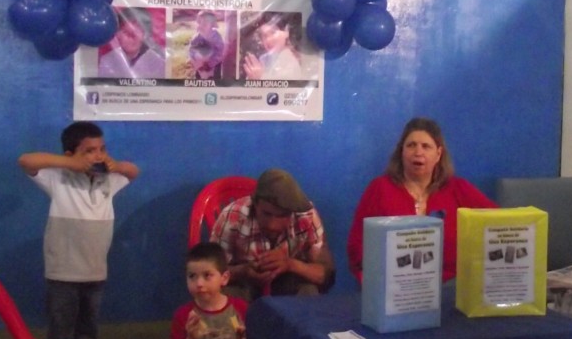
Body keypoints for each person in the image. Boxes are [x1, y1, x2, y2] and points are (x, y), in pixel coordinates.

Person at [18, 121, 139, 339]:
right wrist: (69, 163)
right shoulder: (58, 179)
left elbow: (133, 171)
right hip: (63, 274)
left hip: (95, 274)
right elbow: (26, 161)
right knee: (61, 337)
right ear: (72, 153)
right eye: (90, 151)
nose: (98, 156)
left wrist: (114, 164)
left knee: (86, 336)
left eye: (102, 149)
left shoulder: (107, 181)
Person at [347, 117, 497, 283]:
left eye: (426, 146)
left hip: (450, 286)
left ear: (438, 154)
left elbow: (497, 226)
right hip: (393, 286)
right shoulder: (379, 189)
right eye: (411, 145)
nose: (418, 152)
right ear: (401, 152)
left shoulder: (459, 189)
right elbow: (357, 245)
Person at [210, 168, 335, 301]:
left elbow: (325, 275)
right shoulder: (232, 217)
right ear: (255, 204)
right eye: (266, 214)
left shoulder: (307, 217)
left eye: (282, 216)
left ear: (293, 212)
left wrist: (290, 264)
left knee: (308, 290)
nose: (272, 225)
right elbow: (210, 272)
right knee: (220, 298)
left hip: (289, 283)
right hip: (243, 284)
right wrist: (244, 271)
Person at [97, 7, 166, 79]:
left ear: (146, 35)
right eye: (126, 32)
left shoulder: (158, 60)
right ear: (117, 34)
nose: (133, 38)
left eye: (138, 31)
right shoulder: (107, 61)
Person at [242, 12, 303, 81]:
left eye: (273, 32)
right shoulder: (264, 59)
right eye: (264, 35)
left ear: (286, 32)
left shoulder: (291, 63)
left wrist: (261, 77)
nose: (268, 40)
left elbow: (285, 90)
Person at [188, 11, 225, 80]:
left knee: (214, 81)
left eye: (205, 24)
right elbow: (191, 50)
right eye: (199, 23)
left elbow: (220, 52)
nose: (201, 26)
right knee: (199, 80)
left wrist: (210, 63)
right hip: (200, 66)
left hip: (214, 66)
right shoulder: (196, 38)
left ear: (212, 25)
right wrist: (195, 63)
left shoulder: (216, 37)